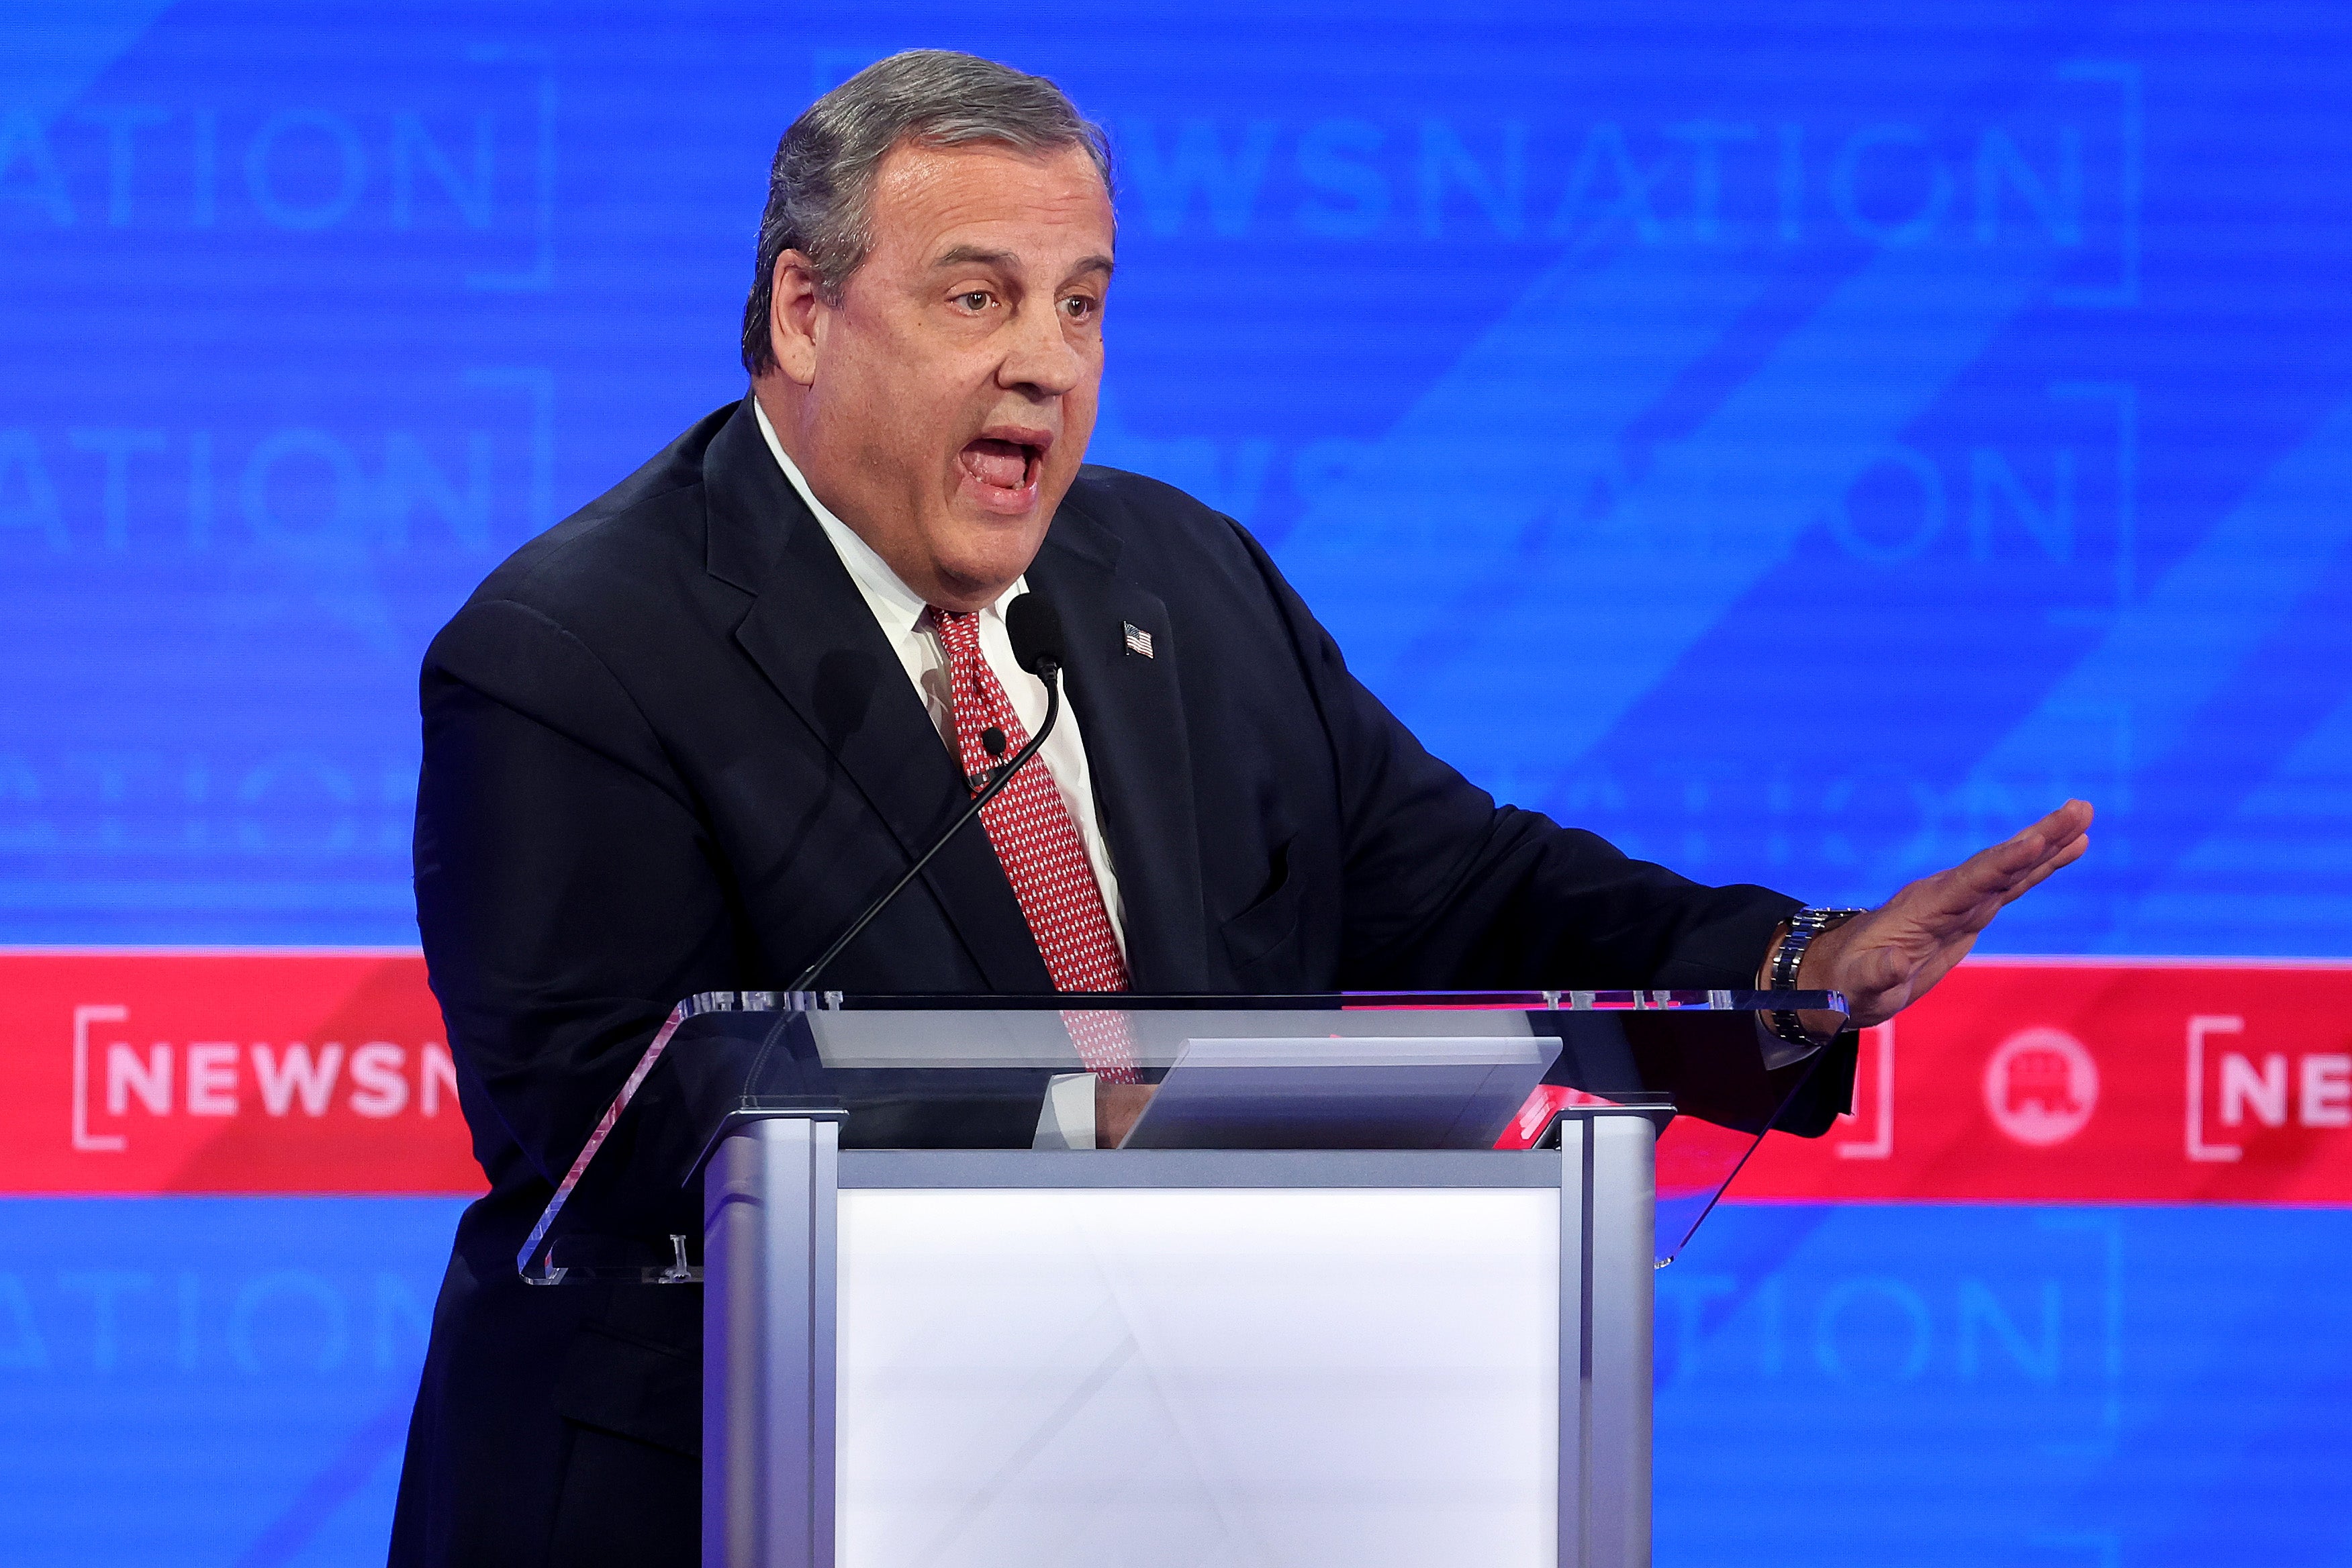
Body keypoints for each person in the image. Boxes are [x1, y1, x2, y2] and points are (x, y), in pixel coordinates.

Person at [388, 48, 2091, 1566]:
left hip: (1165, 1477)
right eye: (978, 298)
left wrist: (1793, 963)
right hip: (713, 1501)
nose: (1047, 366)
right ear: (802, 311)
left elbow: (1457, 877)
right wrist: (1097, 1142)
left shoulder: (1175, 578)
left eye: (1082, 303)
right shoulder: (570, 655)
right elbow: (605, 1152)